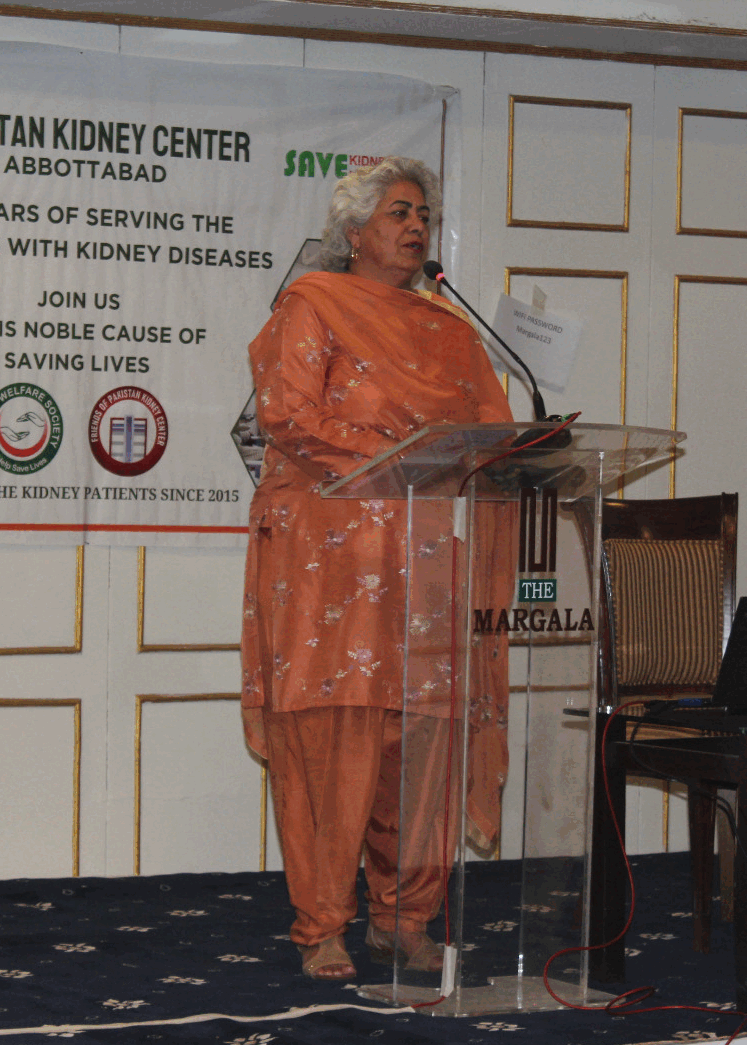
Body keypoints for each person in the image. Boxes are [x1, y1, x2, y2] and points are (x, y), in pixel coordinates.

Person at [240, 158, 514, 981]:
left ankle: (407, 917)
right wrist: (405, 452)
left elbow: (493, 433)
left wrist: (518, 447)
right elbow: (289, 416)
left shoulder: (451, 330)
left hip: (422, 558)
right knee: (335, 739)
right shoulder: (313, 304)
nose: (417, 225)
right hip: (330, 560)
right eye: (399, 212)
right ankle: (322, 924)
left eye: (424, 214)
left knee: (419, 739)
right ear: (355, 232)